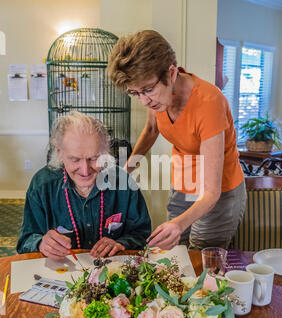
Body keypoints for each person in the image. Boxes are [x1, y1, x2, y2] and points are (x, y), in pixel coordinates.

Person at [107, 30, 246, 251]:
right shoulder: (158, 98)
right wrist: (126, 171)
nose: (143, 100)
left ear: (171, 73)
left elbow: (211, 192)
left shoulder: (209, 103)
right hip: (183, 182)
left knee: (199, 255)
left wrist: (178, 224)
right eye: (134, 93)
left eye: (148, 90)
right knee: (177, 253)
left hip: (219, 191)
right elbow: (152, 129)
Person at [17, 111, 151, 259]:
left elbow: (142, 234)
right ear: (60, 153)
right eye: (75, 159)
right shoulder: (42, 185)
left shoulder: (123, 183)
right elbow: (25, 242)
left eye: (94, 158)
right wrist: (41, 243)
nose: (85, 170)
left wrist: (122, 243)